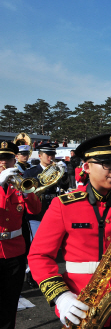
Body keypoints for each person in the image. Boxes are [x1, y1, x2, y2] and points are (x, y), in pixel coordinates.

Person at [27, 133, 111, 328]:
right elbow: (39, 256)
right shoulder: (63, 205)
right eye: (106, 164)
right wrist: (61, 296)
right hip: (78, 302)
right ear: (86, 167)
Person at [0, 141, 42, 329]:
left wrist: (27, 192)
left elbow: (36, 209)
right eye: (0, 159)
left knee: (10, 302)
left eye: (8, 158)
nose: (3, 163)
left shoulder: (19, 180)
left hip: (15, 251)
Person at [23, 142, 69, 288]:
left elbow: (65, 187)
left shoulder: (57, 169)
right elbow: (27, 191)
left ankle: (47, 274)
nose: (51, 157)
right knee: (36, 244)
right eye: (47, 154)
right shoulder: (31, 172)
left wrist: (65, 174)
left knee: (53, 244)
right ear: (40, 155)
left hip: (53, 209)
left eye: (52, 154)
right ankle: (31, 273)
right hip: (36, 211)